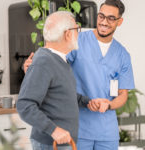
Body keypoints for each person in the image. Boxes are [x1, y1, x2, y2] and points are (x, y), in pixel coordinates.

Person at [24, 0, 135, 149]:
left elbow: (123, 95)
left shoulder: (122, 55)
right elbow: (53, 61)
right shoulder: (77, 41)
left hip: (107, 133)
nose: (104, 22)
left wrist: (109, 105)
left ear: (119, 21)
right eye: (101, 16)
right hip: (79, 128)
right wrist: (33, 69)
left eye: (110, 18)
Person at [17, 11, 109, 150]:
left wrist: (88, 102)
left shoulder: (59, 60)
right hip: (50, 144)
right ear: (67, 34)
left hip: (63, 144)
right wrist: (53, 130)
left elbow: (62, 95)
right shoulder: (44, 62)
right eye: (77, 29)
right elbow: (25, 105)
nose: (79, 33)